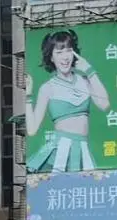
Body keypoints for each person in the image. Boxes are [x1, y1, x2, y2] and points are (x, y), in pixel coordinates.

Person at [25, 29, 111, 173]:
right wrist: (28, 96)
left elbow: (105, 104)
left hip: (83, 148)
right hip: (60, 150)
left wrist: (89, 71)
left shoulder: (84, 81)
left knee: (87, 189)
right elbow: (32, 129)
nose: (65, 57)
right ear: (51, 57)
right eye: (59, 53)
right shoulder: (48, 88)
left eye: (68, 51)